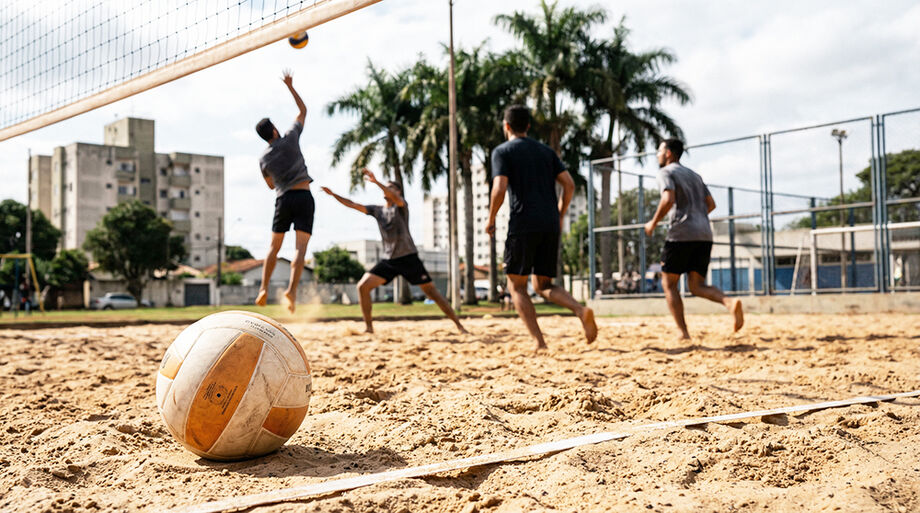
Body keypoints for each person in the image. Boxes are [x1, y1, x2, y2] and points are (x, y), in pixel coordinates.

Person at [486, 105, 597, 351]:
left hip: (523, 223)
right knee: (543, 285)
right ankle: (580, 309)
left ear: (506, 126)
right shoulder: (546, 152)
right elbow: (569, 185)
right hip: (549, 224)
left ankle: (539, 342)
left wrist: (491, 218)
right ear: (527, 126)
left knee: (516, 286)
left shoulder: (502, 151)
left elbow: (500, 188)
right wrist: (559, 213)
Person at [322, 169, 467, 335]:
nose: (387, 190)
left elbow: (396, 198)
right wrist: (333, 195)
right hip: (389, 260)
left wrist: (376, 182)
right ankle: (369, 328)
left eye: (391, 188)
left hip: (408, 258)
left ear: (397, 192)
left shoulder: (401, 206)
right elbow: (353, 205)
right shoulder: (377, 210)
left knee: (432, 292)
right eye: (387, 187)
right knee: (362, 286)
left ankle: (459, 325)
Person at [644, 138, 744, 340]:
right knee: (697, 286)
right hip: (704, 233)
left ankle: (683, 333)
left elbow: (668, 199)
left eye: (660, 150)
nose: (657, 154)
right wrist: (696, 215)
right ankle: (729, 303)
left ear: (669, 153)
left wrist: (653, 222)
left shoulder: (666, 172)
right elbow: (711, 204)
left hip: (681, 233)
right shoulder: (695, 175)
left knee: (669, 284)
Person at [254, 69, 313, 314]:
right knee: (300, 250)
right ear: (275, 130)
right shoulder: (289, 138)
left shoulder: (264, 159)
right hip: (303, 195)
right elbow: (303, 111)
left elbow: (269, 185)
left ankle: (263, 288)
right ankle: (292, 291)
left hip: (283, 199)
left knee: (273, 248)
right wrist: (290, 86)